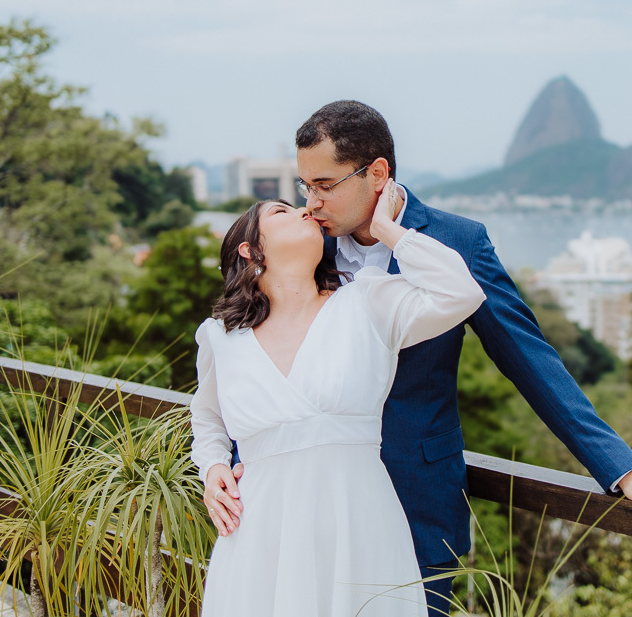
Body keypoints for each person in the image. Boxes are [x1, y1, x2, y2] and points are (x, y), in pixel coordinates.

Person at [204, 100, 632, 616]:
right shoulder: (308, 247)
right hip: (291, 509)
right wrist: (219, 462)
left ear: (377, 173)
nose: (310, 203)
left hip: (417, 498)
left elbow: (528, 358)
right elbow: (247, 359)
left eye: (325, 185)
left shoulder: (458, 242)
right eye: (304, 187)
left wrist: (622, 471)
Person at [190, 182, 486, 616]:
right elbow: (207, 416)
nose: (304, 210)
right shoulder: (220, 336)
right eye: (281, 213)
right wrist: (214, 464)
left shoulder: (366, 302)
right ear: (250, 251)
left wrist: (387, 229)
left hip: (357, 520)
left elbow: (461, 293)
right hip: (260, 532)